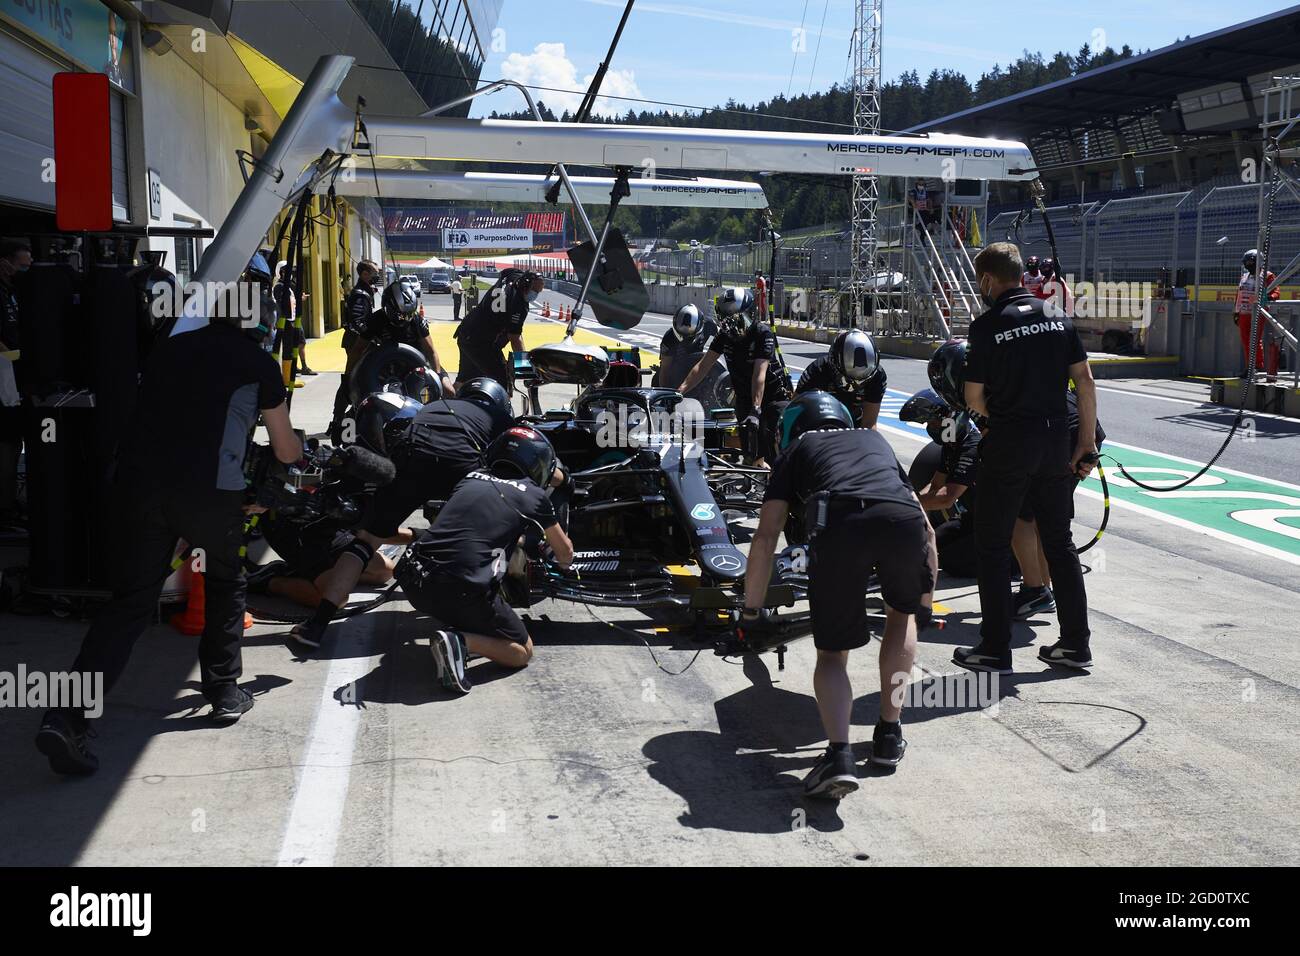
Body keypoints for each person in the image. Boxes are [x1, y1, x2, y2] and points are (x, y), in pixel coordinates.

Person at [35, 255, 303, 775]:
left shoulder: (169, 347)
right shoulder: (258, 365)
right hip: (210, 495)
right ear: (260, 321)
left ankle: (66, 717)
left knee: (127, 607)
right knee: (226, 582)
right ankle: (224, 691)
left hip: (140, 490)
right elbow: (288, 451)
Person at [742, 391, 934, 798]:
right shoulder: (874, 438)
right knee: (902, 617)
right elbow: (927, 527)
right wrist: (926, 600)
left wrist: (751, 611)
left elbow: (765, 537)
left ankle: (839, 755)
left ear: (792, 427)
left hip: (841, 521)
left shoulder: (798, 448)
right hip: (903, 521)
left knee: (832, 654)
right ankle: (887, 735)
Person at [954, 241, 1097, 675]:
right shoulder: (1058, 317)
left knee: (993, 545)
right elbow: (1085, 382)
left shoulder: (985, 327)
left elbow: (973, 397)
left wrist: (1008, 415)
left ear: (987, 281)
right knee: (1060, 542)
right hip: (1058, 441)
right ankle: (1074, 644)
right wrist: (1085, 444)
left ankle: (995, 649)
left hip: (1011, 441)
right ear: (1021, 276)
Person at [290, 378, 518, 649]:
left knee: (364, 543)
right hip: (464, 461)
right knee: (486, 525)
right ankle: (483, 610)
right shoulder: (500, 417)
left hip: (412, 455)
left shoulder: (438, 405)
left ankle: (316, 626)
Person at [397, 425, 575, 694]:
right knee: (521, 652)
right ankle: (460, 641)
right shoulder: (535, 496)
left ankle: (458, 629)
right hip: (460, 590)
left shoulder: (470, 478)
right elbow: (565, 555)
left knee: (460, 591)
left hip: (415, 581)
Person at [676, 286, 793, 467]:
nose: (732, 327)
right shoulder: (725, 336)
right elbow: (702, 366)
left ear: (750, 314)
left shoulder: (762, 333)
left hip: (771, 398)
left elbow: (759, 375)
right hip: (744, 397)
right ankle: (755, 480)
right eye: (727, 322)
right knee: (751, 452)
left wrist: (756, 410)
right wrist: (679, 392)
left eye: (737, 321)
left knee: (774, 449)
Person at [454, 268, 543, 390]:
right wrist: (524, 368)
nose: (535, 294)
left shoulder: (513, 277)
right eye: (534, 290)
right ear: (525, 285)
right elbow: (515, 338)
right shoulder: (518, 305)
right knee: (503, 380)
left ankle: (448, 403)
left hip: (466, 331)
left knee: (464, 378)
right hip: (482, 342)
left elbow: (506, 271)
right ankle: (502, 408)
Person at [330, 259, 382, 443]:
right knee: (352, 379)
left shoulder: (366, 291)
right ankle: (339, 419)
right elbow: (358, 322)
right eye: (374, 272)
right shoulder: (360, 294)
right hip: (357, 343)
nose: (377, 275)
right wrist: (372, 337)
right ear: (364, 274)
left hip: (360, 341)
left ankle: (344, 418)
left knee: (356, 378)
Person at [794, 328, 887, 428]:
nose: (855, 386)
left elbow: (869, 423)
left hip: (854, 422)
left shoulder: (878, 376)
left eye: (862, 380)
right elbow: (794, 410)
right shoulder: (818, 370)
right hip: (818, 423)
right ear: (834, 365)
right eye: (848, 380)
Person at [0, 238, 32, 527]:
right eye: (22, 266)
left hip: (14, 379)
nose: (26, 271)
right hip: (3, 382)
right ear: (5, 263)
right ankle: (4, 507)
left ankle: (9, 501)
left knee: (13, 443)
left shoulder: (15, 292)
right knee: (7, 446)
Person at [655, 303, 719, 400]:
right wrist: (665, 397)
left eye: (689, 337)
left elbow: (723, 340)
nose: (686, 340)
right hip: (676, 370)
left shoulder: (709, 325)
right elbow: (665, 369)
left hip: (699, 364)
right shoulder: (669, 338)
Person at [1234, 248, 1281, 379]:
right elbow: (1239, 293)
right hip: (1243, 312)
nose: (1248, 265)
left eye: (1251, 263)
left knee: (1254, 339)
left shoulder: (1268, 275)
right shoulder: (1244, 276)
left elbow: (1276, 292)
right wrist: (1236, 311)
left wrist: (1266, 298)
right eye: (1247, 263)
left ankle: (1256, 366)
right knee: (1245, 340)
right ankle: (1250, 366)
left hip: (1259, 311)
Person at [274, 263, 314, 376]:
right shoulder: (280, 286)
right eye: (287, 271)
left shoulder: (288, 285)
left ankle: (300, 366)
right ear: (281, 272)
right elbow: (282, 303)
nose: (290, 273)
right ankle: (289, 372)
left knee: (300, 342)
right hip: (287, 321)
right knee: (289, 347)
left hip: (293, 319)